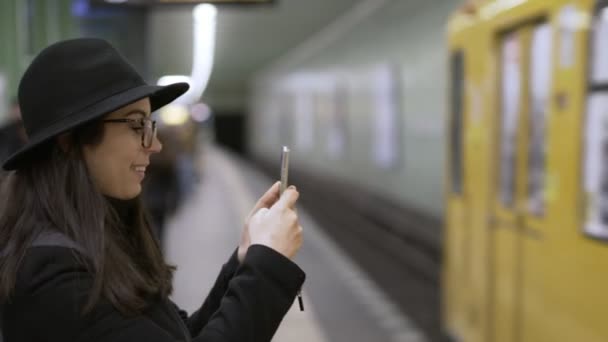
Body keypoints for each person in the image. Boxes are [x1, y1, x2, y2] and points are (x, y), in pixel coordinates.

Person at [0, 38, 305, 341]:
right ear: (69, 141)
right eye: (137, 125)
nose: (155, 145)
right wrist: (267, 265)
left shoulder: (93, 241)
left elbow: (179, 335)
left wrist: (244, 261)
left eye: (151, 125)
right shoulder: (57, 279)